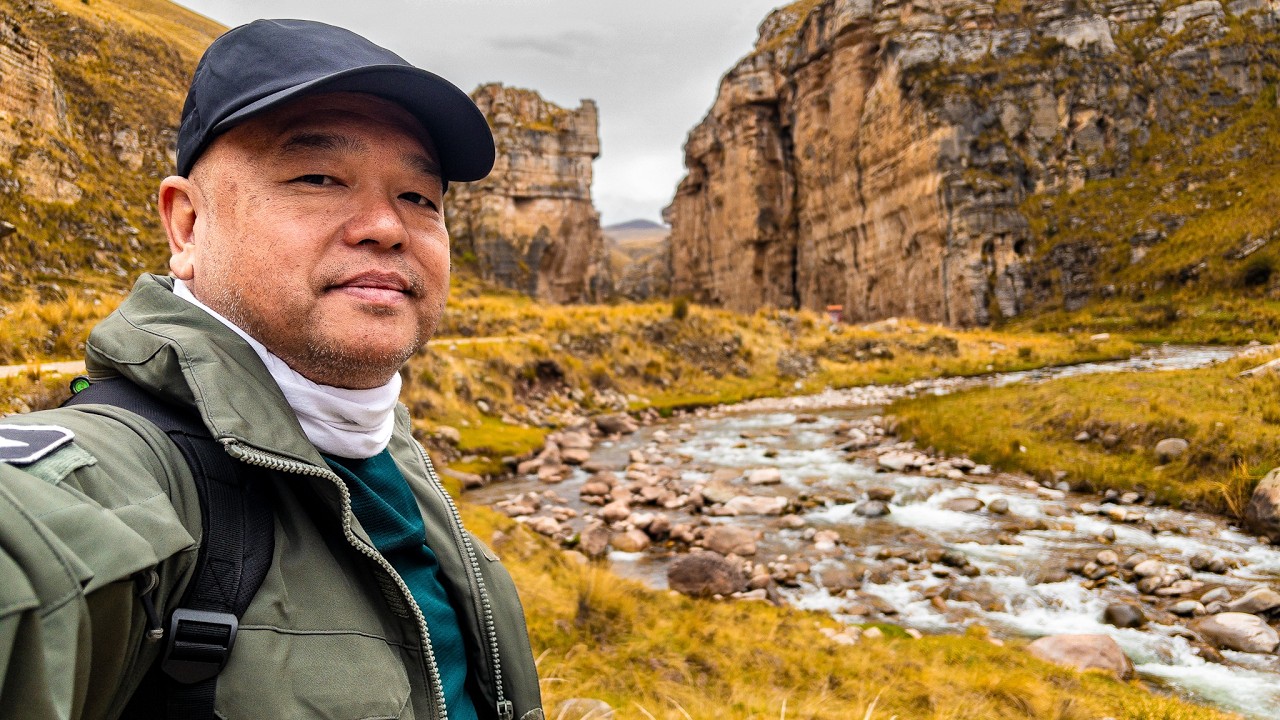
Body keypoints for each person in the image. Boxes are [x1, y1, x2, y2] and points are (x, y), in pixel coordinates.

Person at [0, 18, 543, 720]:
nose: (387, 225)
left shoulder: (395, 461)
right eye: (318, 177)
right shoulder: (117, 479)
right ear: (187, 226)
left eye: (420, 197)